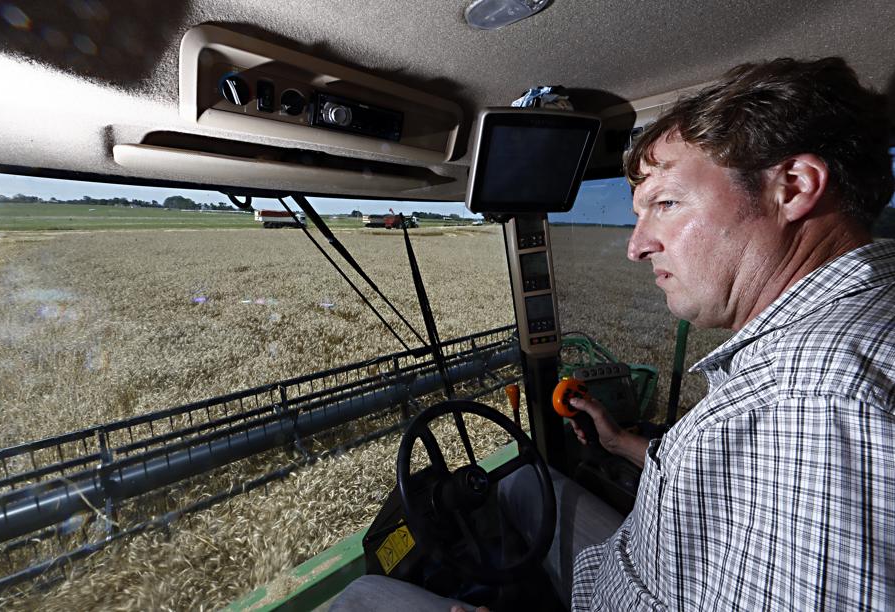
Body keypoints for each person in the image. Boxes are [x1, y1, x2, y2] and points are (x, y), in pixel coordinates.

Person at [332, 57, 895, 610]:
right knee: (524, 483)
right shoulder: (844, 333)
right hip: (638, 562)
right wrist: (624, 442)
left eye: (666, 203)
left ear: (793, 187)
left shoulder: (811, 408)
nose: (635, 246)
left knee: (360, 597)